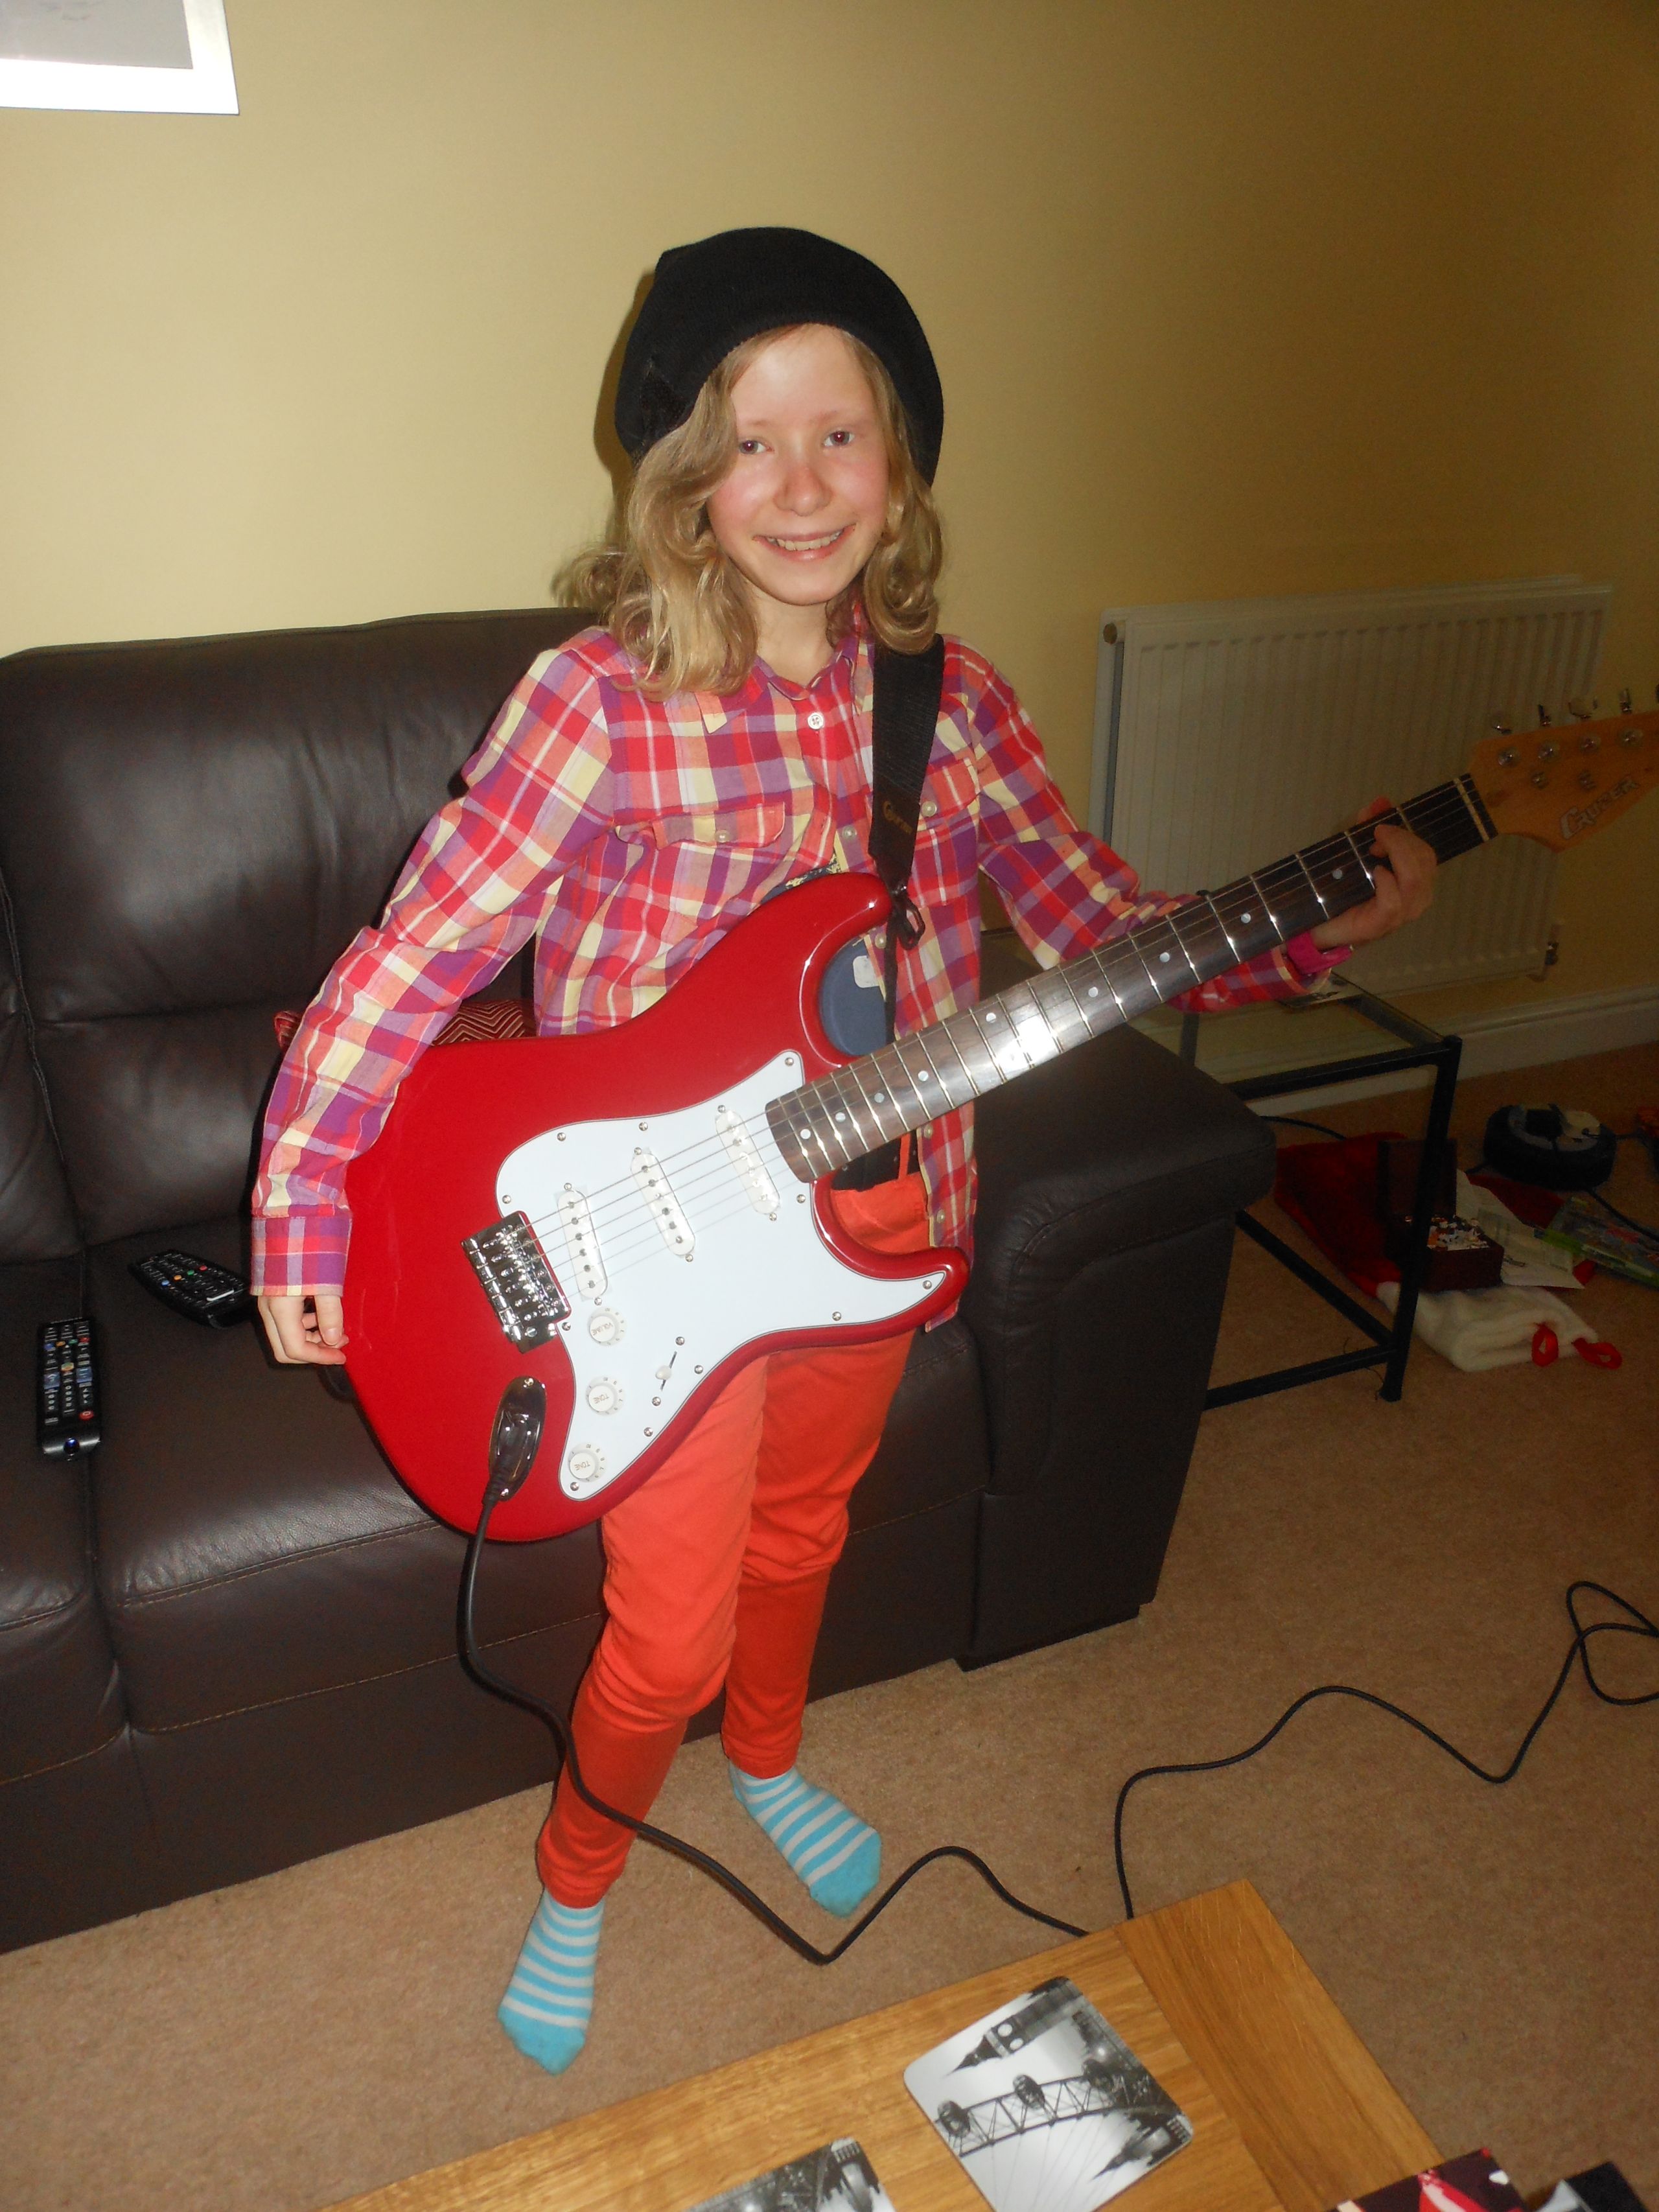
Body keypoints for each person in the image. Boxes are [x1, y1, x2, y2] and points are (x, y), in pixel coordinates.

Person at [251, 227, 1436, 2075]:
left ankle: (781, 1751)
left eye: (842, 439)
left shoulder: (949, 706)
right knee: (660, 1637)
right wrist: (305, 1208)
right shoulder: (599, 703)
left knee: (812, 1529)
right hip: (656, 1255)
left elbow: (1097, 914)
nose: (799, 489)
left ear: (902, 470)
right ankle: (580, 1877)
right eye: (748, 442)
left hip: (884, 1225)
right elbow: (411, 961)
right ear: (680, 486)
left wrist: (1316, 925)